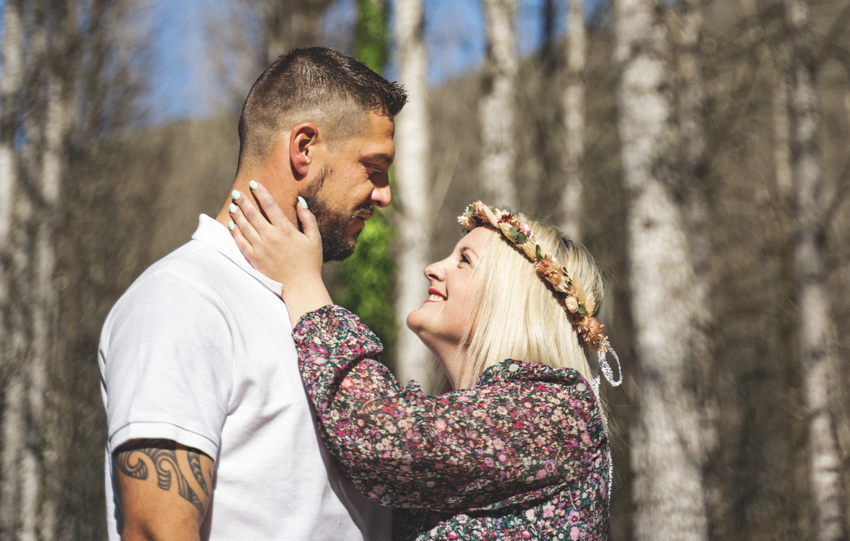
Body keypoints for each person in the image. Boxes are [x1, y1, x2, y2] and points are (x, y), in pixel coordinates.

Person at [99, 46, 406, 541]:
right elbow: (156, 530)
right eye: (373, 165)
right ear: (303, 148)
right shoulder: (184, 299)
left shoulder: (315, 317)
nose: (385, 192)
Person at [229, 188, 620, 540]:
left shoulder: (556, 415)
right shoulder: (511, 415)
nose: (433, 267)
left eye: (464, 260)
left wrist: (302, 283)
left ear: (511, 298)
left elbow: (381, 433)